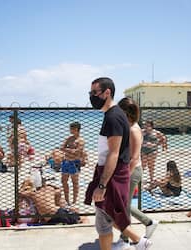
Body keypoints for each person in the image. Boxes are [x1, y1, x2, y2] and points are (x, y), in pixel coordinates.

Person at [84, 77, 152, 250]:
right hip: (113, 174)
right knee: (108, 217)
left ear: (107, 93)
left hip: (112, 176)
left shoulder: (113, 117)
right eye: (90, 93)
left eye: (94, 93)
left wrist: (102, 185)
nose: (92, 96)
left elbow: (113, 154)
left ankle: (140, 242)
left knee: (104, 222)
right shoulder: (114, 115)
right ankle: (140, 241)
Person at [113, 97, 158, 249]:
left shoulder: (133, 129)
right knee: (123, 205)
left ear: (127, 113)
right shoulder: (130, 126)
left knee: (122, 206)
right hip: (129, 171)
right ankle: (148, 222)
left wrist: (123, 177)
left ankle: (124, 240)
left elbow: (133, 158)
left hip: (131, 172)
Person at [19, 178, 88, 225]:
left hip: (49, 219)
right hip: (56, 212)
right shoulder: (49, 189)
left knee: (79, 218)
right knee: (82, 219)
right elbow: (59, 200)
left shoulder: (33, 193)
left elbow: (20, 193)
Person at [60, 122, 85, 205]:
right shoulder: (69, 138)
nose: (70, 130)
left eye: (71, 129)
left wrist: (67, 149)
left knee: (75, 182)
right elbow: (61, 147)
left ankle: (74, 200)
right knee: (64, 181)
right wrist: (71, 150)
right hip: (66, 161)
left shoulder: (80, 140)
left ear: (76, 129)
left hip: (74, 162)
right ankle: (67, 199)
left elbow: (77, 152)